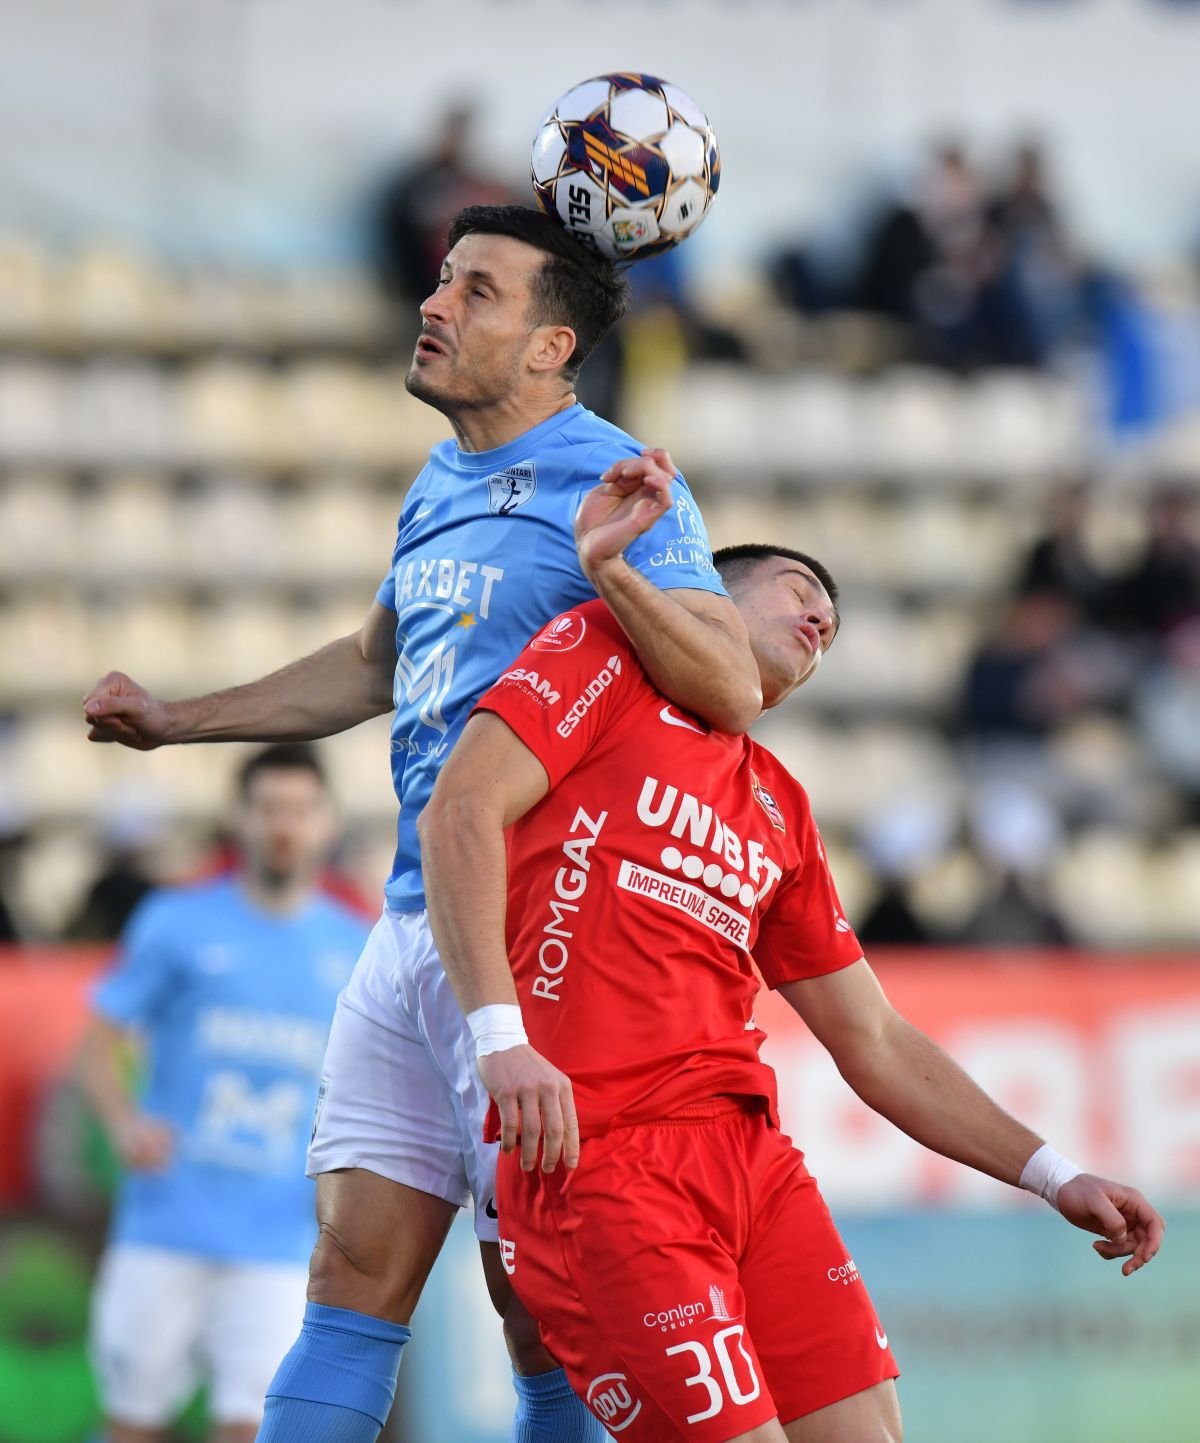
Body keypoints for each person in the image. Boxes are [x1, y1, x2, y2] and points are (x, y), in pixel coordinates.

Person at [83, 203, 761, 1443]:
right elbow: (371, 665)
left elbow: (731, 685)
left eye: (478, 292)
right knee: (347, 1279)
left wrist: (612, 569)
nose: (433, 305)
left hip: (536, 949)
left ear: (553, 347)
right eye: (443, 281)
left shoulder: (618, 481)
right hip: (409, 930)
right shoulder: (439, 482)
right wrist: (178, 721)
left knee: (538, 1309)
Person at [419, 543, 1165, 1443]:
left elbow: (875, 1039)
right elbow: (458, 811)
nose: (820, 623)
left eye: (832, 629)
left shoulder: (779, 806)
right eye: (800, 592)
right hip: (602, 1160)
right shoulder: (603, 663)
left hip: (753, 1165)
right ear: (707, 598)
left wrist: (1054, 1173)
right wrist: (501, 1036)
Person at [77, 744, 368, 1443]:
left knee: (252, 1426)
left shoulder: (356, 946)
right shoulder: (175, 921)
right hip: (165, 1222)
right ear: (238, 818)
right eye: (268, 807)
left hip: (277, 1235)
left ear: (326, 822)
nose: (283, 825)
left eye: (299, 809)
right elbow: (95, 1046)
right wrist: (122, 1124)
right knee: (131, 1423)